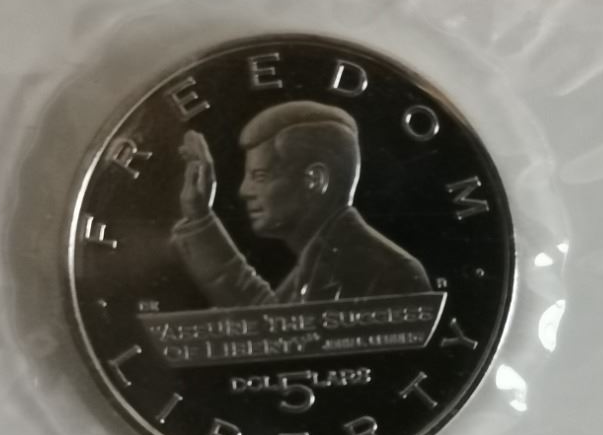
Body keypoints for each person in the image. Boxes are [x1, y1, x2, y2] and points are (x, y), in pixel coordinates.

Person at [172, 101, 430, 306]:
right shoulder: (323, 258)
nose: (243, 191)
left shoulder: (389, 273)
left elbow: (278, 335)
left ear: (314, 180)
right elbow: (273, 322)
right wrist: (199, 217)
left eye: (259, 176)